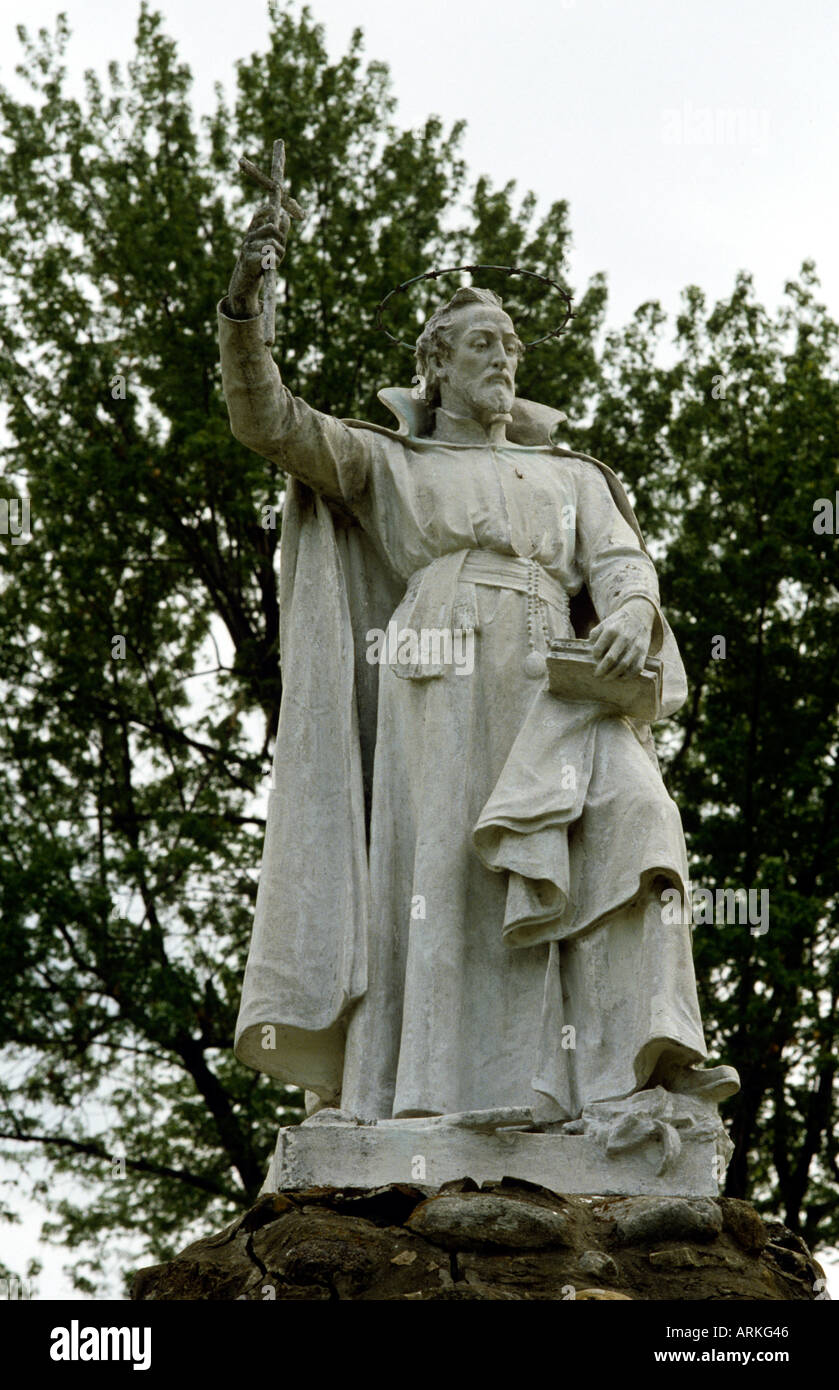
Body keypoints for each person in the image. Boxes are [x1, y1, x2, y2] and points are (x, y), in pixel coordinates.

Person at [220, 202, 739, 1126]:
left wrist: (631, 609)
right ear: (436, 363)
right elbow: (271, 424)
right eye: (482, 344)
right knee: (447, 871)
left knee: (636, 819)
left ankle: (640, 1062)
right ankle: (439, 1094)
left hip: (556, 677)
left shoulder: (574, 476)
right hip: (438, 663)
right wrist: (246, 303)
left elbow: (624, 563)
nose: (503, 358)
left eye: (510, 344)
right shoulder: (390, 460)